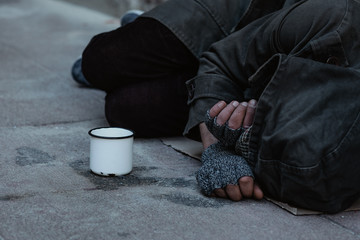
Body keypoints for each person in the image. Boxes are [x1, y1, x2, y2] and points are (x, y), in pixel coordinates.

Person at [74, 0, 360, 213]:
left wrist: (233, 131)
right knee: (100, 60)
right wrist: (216, 148)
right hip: (248, 12)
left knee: (124, 109)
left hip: (251, 74)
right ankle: (143, 25)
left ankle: (187, 67)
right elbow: (221, 60)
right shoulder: (336, 19)